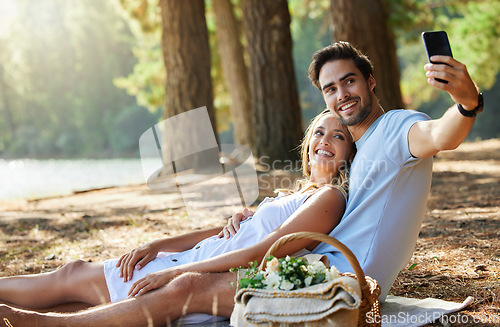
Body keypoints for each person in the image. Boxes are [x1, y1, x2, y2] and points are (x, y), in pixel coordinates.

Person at [0, 111, 356, 326]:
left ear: (347, 156)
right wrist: (158, 245)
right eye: (319, 132)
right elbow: (226, 233)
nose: (324, 140)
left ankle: (30, 323)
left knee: (72, 274)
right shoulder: (295, 195)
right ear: (308, 145)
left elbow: (265, 250)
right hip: (193, 259)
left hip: (199, 274)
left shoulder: (330, 197)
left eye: (338, 135)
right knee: (79, 299)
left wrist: (175, 272)